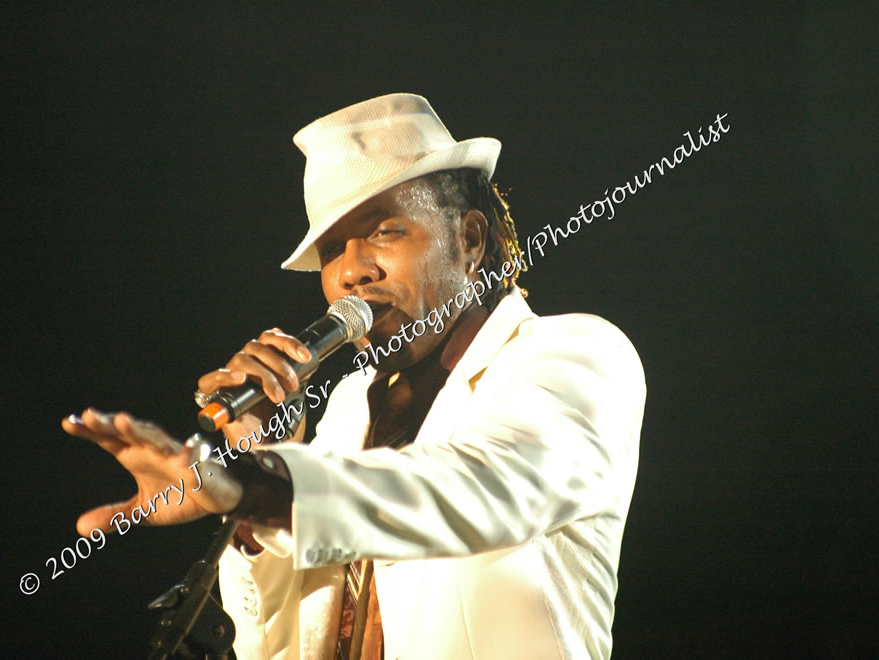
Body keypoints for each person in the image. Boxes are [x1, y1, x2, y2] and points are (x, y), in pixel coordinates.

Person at [63, 93, 646, 660]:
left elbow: (488, 486)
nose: (350, 272)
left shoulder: (574, 353)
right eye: (332, 249)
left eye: (385, 230)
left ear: (470, 240)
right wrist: (258, 481)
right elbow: (273, 648)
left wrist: (263, 486)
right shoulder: (348, 408)